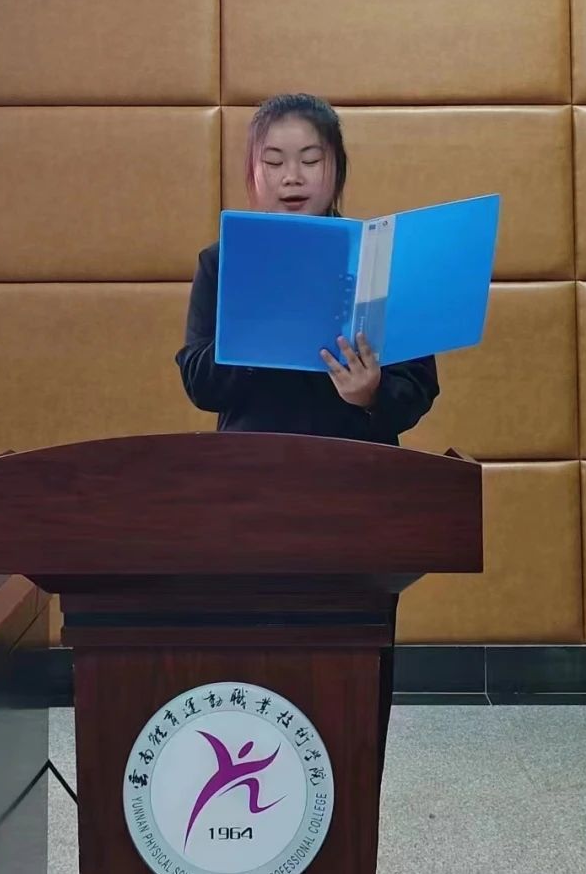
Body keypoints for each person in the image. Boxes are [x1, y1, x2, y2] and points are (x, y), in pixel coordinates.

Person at [175, 92, 439, 779]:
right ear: (252, 174)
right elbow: (198, 379)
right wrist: (256, 333)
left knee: (355, 672)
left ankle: (351, 805)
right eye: (274, 160)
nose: (292, 176)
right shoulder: (222, 263)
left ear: (336, 170)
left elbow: (419, 388)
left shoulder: (381, 264)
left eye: (310, 159)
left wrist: (371, 394)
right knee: (252, 667)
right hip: (249, 499)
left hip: (356, 500)